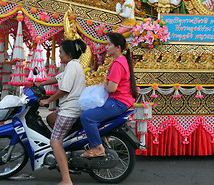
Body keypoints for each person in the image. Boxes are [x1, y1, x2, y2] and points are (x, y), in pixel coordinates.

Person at [36, 39, 86, 185]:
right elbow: (58, 79)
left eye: (61, 53)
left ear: (69, 54)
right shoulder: (73, 65)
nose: (59, 56)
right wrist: (40, 83)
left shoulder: (72, 66)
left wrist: (47, 100)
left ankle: (66, 179)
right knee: (51, 118)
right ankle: (65, 149)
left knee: (54, 142)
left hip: (69, 111)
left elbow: (64, 90)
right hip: (70, 109)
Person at [80, 33, 138, 158]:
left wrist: (104, 86)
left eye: (109, 44)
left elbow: (112, 88)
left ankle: (98, 147)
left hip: (117, 102)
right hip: (121, 101)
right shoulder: (121, 60)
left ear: (118, 47)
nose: (106, 47)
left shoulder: (118, 63)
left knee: (86, 117)